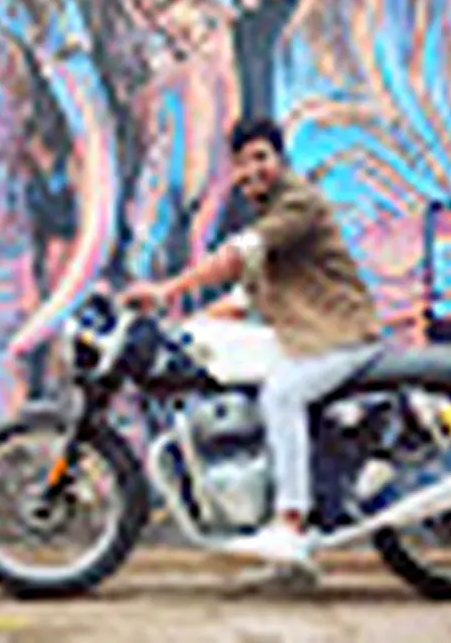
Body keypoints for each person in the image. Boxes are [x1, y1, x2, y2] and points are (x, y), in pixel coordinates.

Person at [119, 117, 384, 565]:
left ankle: (291, 524)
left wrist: (167, 289)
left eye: (261, 157)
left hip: (342, 336)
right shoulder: (271, 217)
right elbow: (240, 299)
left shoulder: (297, 203)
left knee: (281, 395)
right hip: (311, 337)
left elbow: (235, 256)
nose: (253, 170)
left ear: (280, 160)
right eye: (242, 163)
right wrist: (183, 325)